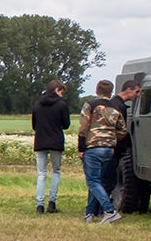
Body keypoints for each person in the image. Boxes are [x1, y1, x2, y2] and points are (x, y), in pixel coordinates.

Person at [78, 79, 126, 223]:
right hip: (109, 149)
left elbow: (83, 127)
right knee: (99, 181)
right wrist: (112, 139)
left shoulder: (90, 105)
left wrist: (81, 148)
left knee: (92, 181)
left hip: (93, 147)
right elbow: (122, 130)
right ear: (111, 92)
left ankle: (109, 210)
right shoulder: (116, 107)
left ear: (97, 90)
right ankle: (90, 213)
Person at [30, 78, 69, 214]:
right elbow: (66, 124)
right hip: (56, 141)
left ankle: (39, 204)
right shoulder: (61, 105)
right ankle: (52, 203)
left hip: (40, 141)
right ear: (57, 90)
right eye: (61, 92)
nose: (62, 95)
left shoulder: (37, 105)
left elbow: (34, 125)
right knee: (56, 171)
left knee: (41, 174)